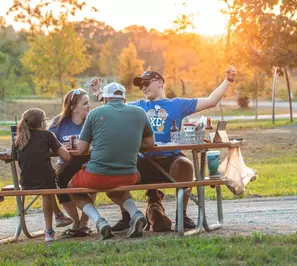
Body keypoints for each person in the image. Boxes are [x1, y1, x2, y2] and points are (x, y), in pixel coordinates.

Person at [90, 66, 237, 231]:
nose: (143, 87)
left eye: (146, 83)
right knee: (115, 173)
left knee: (186, 165)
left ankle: (182, 214)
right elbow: (113, 106)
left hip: (170, 160)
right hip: (142, 161)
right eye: (140, 85)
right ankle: (127, 216)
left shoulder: (177, 104)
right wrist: (99, 92)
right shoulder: (137, 106)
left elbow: (211, 101)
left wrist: (228, 80)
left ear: (160, 83)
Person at [68, 82, 155, 240]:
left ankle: (100, 222)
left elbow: (81, 149)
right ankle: (135, 213)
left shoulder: (95, 114)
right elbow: (150, 143)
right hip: (130, 174)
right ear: (125, 99)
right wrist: (130, 143)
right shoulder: (140, 112)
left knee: (72, 189)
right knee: (114, 189)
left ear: (105, 99)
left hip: (98, 175)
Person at [12, 108, 71, 242]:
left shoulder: (17, 140)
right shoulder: (47, 135)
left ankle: (58, 214)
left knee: (46, 183)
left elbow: (17, 166)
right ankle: (49, 230)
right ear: (42, 123)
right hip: (46, 181)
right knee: (48, 185)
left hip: (25, 182)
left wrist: (22, 181)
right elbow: (66, 156)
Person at [49, 88, 95, 237]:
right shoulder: (58, 123)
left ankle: (84, 222)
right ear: (73, 108)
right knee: (59, 178)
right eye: (85, 103)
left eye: (89, 102)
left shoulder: (92, 120)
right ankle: (75, 221)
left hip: (88, 161)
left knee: (93, 179)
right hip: (66, 163)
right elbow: (47, 142)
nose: (89, 106)